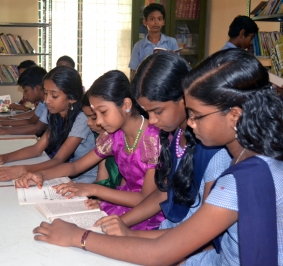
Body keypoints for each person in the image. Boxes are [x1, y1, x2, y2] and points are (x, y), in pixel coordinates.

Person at [31, 49, 283, 265]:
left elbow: (164, 252)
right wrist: (124, 232)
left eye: (196, 115)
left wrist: (79, 237)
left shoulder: (242, 177)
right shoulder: (248, 162)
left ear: (234, 116)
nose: (191, 124)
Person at [94, 53, 230, 238]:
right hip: (171, 231)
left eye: (157, 111)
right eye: (147, 112)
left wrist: (130, 233)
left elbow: (203, 234)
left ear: (184, 98)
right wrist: (121, 223)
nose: (152, 120)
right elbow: (161, 194)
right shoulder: (175, 137)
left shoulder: (210, 147)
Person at [16, 70, 164, 230]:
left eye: (103, 112)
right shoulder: (115, 135)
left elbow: (146, 198)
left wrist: (94, 189)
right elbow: (75, 167)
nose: (98, 121)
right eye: (95, 114)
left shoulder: (153, 139)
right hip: (122, 202)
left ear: (126, 105)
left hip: (147, 215)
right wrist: (40, 176)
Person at [0, 66, 98, 184]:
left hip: (83, 178)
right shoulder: (56, 114)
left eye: (54, 96)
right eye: (46, 93)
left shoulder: (82, 118)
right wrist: (3, 158)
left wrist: (22, 170)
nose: (47, 100)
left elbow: (59, 160)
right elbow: (37, 148)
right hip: (63, 174)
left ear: (72, 98)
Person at [0, 66, 48, 136]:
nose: (24, 95)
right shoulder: (42, 103)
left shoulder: (48, 103)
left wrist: (3, 130)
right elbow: (31, 120)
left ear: (38, 89)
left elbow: (37, 128)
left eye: (26, 90)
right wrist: (1, 122)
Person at [81, 92, 122, 189]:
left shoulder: (117, 137)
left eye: (93, 117)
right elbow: (102, 177)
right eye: (87, 117)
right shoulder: (100, 136)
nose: (89, 123)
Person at [129, 3, 179, 80]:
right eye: (152, 19)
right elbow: (133, 72)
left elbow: (178, 67)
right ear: (145, 22)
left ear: (163, 22)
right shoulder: (138, 46)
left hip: (167, 84)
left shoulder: (172, 42)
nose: (156, 22)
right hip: (145, 85)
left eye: (159, 19)